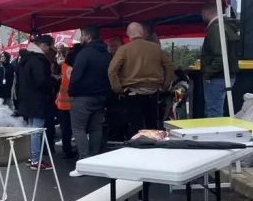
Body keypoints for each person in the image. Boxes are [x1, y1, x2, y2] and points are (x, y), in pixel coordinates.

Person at [108, 22, 174, 137]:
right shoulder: (155, 48)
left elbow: (112, 70)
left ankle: (136, 150)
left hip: (132, 93)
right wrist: (165, 85)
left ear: (128, 34)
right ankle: (153, 150)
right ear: (142, 33)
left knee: (135, 126)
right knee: (152, 125)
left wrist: (117, 88)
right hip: (153, 92)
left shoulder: (124, 49)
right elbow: (169, 66)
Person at [68, 26, 112, 176]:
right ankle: (94, 160)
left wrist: (71, 91)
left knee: (78, 128)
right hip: (101, 96)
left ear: (87, 37)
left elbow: (76, 76)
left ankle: (84, 162)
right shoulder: (107, 54)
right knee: (96, 128)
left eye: (82, 35)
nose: (80, 39)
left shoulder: (84, 53)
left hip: (83, 96)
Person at [16, 35, 55, 171]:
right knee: (37, 130)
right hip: (37, 99)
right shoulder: (38, 60)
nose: (50, 50)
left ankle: (32, 157)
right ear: (43, 45)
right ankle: (35, 160)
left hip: (27, 99)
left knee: (32, 129)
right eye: (50, 46)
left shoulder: (26, 58)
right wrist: (54, 81)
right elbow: (41, 81)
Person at [200, 1, 240, 117]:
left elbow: (220, 56)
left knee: (213, 112)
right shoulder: (226, 26)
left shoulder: (216, 29)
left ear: (207, 12)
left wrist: (207, 73)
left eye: (202, 12)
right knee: (216, 110)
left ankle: (215, 134)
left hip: (216, 77)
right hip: (225, 75)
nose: (201, 15)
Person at [56, 48, 78, 159]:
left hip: (61, 100)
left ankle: (67, 149)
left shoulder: (63, 65)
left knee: (65, 128)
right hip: (73, 100)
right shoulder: (78, 68)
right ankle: (77, 149)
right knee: (77, 128)